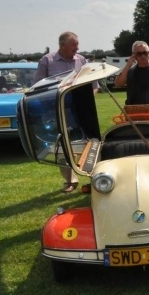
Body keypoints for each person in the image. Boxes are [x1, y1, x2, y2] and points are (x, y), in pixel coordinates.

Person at [34, 31, 94, 193]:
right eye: (74, 44)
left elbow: (93, 86)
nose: (77, 47)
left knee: (88, 142)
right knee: (61, 145)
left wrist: (87, 102)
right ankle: (70, 181)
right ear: (62, 45)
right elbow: (38, 86)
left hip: (80, 110)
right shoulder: (47, 61)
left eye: (77, 44)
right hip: (56, 111)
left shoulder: (81, 60)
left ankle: (92, 178)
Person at [113, 41, 149, 116]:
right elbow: (118, 84)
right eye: (139, 54)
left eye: (145, 53)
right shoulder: (130, 71)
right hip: (132, 115)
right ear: (133, 55)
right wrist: (128, 66)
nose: (142, 56)